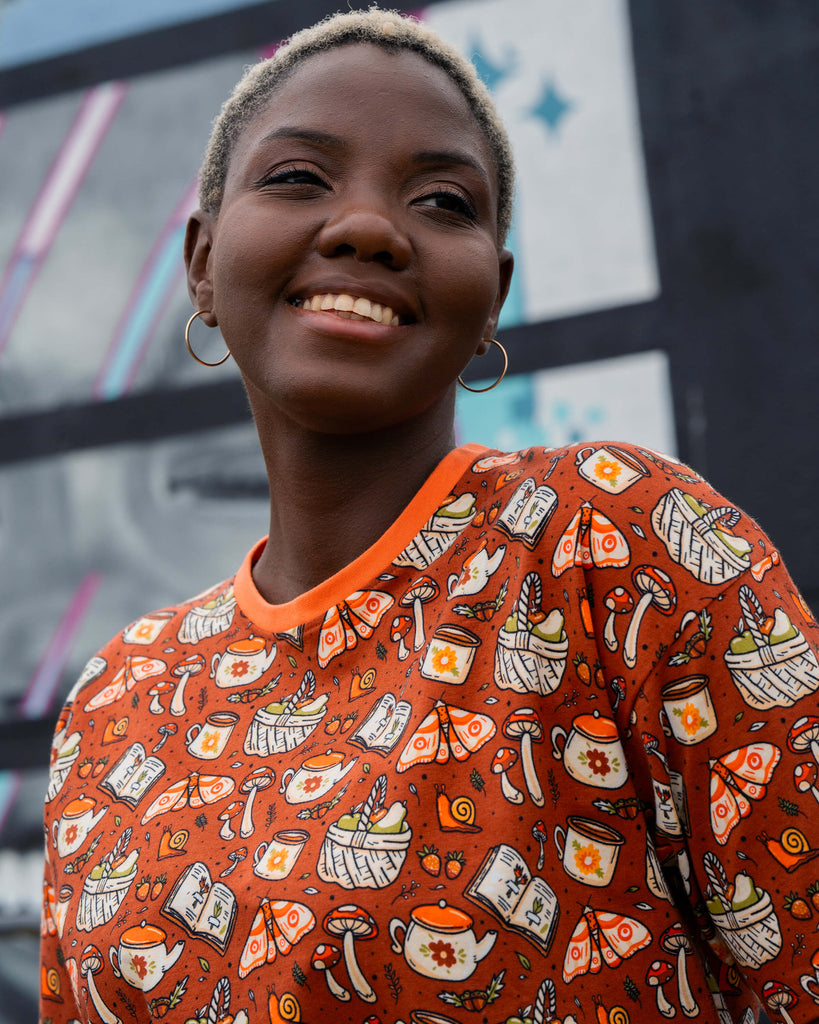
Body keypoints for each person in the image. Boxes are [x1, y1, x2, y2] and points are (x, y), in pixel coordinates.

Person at [40, 10, 819, 1024]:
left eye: (442, 200)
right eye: (297, 178)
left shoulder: (614, 541)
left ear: (491, 296)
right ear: (201, 260)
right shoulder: (115, 700)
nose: (366, 225)